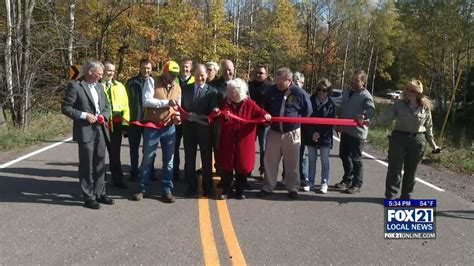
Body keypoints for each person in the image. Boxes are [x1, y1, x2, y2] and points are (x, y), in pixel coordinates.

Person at [369, 80, 441, 199]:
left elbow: (429, 128)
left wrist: (434, 146)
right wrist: (370, 123)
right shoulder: (399, 104)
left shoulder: (425, 108)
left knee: (411, 171)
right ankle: (391, 196)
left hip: (417, 141)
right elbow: (385, 117)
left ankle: (406, 197)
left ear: (418, 93)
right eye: (407, 89)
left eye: (412, 91)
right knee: (394, 169)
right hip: (399, 139)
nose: (408, 92)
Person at [62, 59, 114, 209]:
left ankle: (100, 193)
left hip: (100, 129)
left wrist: (104, 115)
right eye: (99, 73)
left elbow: (106, 105)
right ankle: (88, 196)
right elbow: (66, 108)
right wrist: (85, 115)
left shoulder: (99, 86)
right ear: (90, 72)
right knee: (87, 165)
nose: (101, 76)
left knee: (100, 162)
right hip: (85, 130)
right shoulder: (75, 86)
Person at [258, 68, 312, 200]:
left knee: (292, 163)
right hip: (275, 132)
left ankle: (292, 188)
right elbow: (264, 106)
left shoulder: (299, 93)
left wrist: (297, 123)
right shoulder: (271, 90)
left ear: (289, 80)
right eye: (277, 80)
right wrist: (266, 116)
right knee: (270, 161)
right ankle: (268, 186)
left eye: (281, 81)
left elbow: (308, 111)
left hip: (292, 132)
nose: (278, 83)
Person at [132, 60, 181, 203]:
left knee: (169, 160)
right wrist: (166, 103)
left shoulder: (177, 87)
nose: (173, 77)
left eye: (175, 75)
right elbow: (146, 101)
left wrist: (177, 117)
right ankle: (141, 188)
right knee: (148, 158)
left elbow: (178, 106)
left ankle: (167, 189)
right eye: (171, 74)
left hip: (169, 127)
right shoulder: (152, 81)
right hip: (152, 126)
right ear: (164, 71)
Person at [217, 78, 271, 200]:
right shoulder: (225, 103)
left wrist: (266, 116)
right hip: (228, 140)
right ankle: (226, 190)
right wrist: (224, 117)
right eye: (229, 91)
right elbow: (220, 118)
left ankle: (240, 190)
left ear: (240, 92)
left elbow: (261, 113)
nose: (230, 94)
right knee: (227, 166)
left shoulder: (250, 104)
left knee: (242, 166)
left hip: (244, 141)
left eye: (232, 91)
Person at [335, 70, 375, 194]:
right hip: (345, 130)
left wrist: (363, 116)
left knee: (356, 159)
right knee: (344, 155)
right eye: (352, 79)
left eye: (356, 80)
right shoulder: (347, 91)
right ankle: (347, 179)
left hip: (357, 133)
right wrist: (338, 125)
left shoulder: (366, 95)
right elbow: (342, 107)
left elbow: (371, 110)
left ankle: (357, 184)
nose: (353, 81)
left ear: (363, 82)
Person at [181, 64, 218, 197]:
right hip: (188, 129)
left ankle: (207, 187)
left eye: (202, 75)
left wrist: (215, 110)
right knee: (189, 159)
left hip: (204, 130)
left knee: (206, 160)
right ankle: (191, 187)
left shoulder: (212, 91)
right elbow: (181, 107)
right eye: (197, 75)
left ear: (206, 75)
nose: (200, 78)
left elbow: (214, 107)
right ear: (193, 74)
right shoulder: (185, 89)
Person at [302, 78, 336, 194]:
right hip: (310, 135)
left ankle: (324, 183)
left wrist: (319, 133)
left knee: (325, 161)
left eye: (324, 90)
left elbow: (330, 122)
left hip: (325, 136)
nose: (321, 93)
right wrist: (313, 133)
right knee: (311, 160)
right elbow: (306, 118)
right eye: (319, 90)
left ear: (328, 91)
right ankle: (310, 182)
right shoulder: (310, 100)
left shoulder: (331, 104)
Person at [125, 59, 156, 182]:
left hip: (150, 120)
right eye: (143, 67)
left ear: (151, 68)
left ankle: (150, 172)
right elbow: (125, 103)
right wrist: (125, 125)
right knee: (134, 148)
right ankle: (134, 171)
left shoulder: (156, 82)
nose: (146, 70)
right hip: (134, 120)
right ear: (139, 68)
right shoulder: (131, 82)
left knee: (149, 148)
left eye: (148, 68)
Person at [102, 60, 130, 189]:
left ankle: (118, 180)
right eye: (109, 70)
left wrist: (125, 125)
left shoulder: (120, 86)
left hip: (116, 125)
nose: (111, 73)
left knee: (115, 154)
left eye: (113, 70)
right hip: (101, 125)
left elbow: (126, 106)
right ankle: (100, 181)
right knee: (99, 155)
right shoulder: (96, 85)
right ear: (102, 70)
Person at [209, 59, 235, 177]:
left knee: (234, 148)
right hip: (219, 123)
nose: (227, 72)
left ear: (233, 70)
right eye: (225, 69)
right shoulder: (214, 85)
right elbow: (211, 102)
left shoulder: (240, 83)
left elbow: (247, 100)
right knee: (218, 147)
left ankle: (234, 173)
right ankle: (220, 170)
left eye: (229, 69)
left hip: (235, 122)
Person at [248, 65, 273, 177]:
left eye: (261, 73)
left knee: (263, 148)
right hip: (250, 121)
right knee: (249, 146)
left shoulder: (270, 87)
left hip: (264, 123)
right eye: (256, 73)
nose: (258, 75)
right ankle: (248, 168)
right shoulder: (249, 85)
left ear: (266, 75)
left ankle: (262, 170)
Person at [174, 59, 195, 182]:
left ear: (190, 68)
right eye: (182, 67)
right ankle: (174, 173)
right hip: (175, 119)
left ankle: (188, 174)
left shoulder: (194, 80)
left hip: (188, 120)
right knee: (174, 148)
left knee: (189, 148)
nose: (184, 69)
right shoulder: (174, 79)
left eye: (187, 67)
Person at [292, 72, 309, 190]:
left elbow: (308, 111)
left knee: (302, 154)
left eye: (301, 82)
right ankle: (287, 176)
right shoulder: (288, 94)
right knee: (289, 155)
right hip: (290, 130)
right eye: (296, 81)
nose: (299, 83)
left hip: (302, 129)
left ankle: (303, 177)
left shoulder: (304, 95)